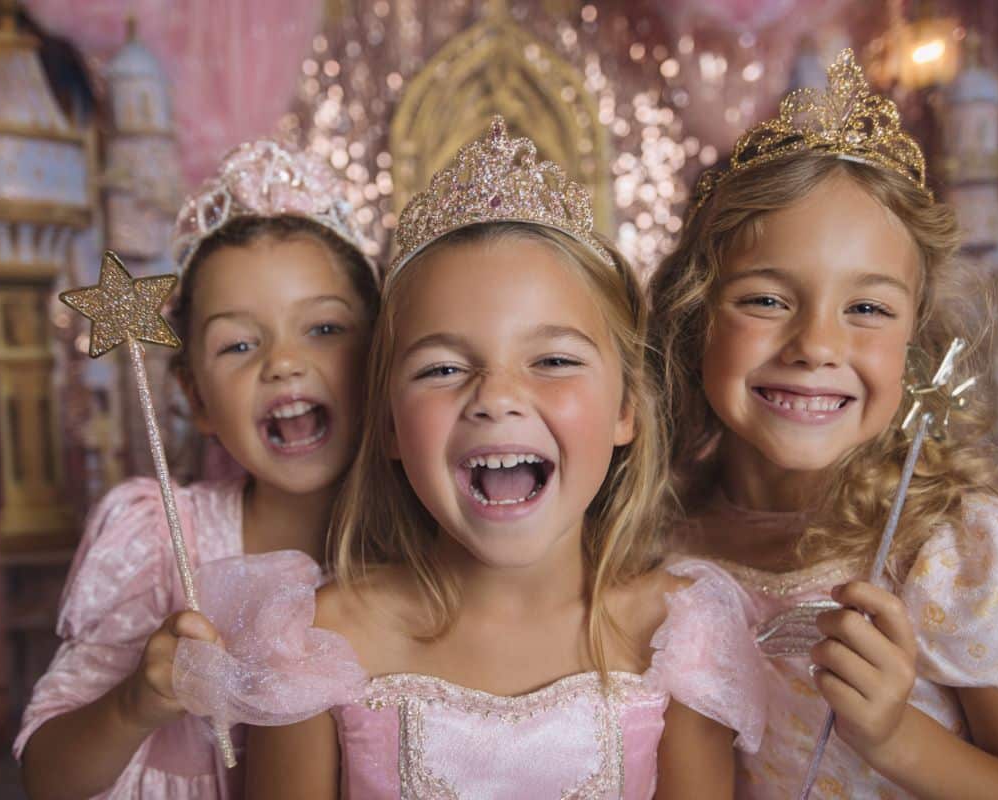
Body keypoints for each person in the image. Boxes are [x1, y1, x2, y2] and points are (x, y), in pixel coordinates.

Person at [175, 117, 766, 799]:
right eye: (443, 368)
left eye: (552, 360)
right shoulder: (313, 642)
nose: (497, 397)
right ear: (390, 425)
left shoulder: (680, 635)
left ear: (627, 409)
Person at [648, 50, 998, 799]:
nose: (815, 347)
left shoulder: (946, 559)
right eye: (767, 300)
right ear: (694, 318)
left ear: (916, 345)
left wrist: (896, 737)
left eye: (866, 309)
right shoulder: (649, 544)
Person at [16, 140, 380, 799]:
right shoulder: (157, 542)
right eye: (239, 343)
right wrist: (137, 702)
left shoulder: (437, 541)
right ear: (194, 397)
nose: (283, 362)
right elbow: (45, 777)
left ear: (384, 355)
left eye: (324, 328)